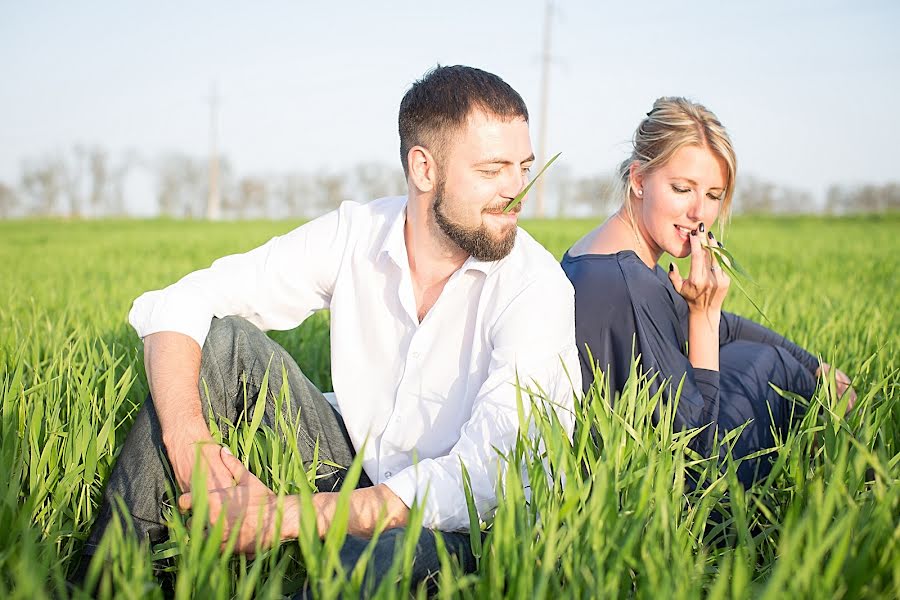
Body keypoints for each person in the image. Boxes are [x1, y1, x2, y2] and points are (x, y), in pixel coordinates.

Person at [80, 65, 580, 594]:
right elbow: (179, 303)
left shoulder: (536, 286)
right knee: (224, 343)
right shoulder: (355, 233)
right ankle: (108, 581)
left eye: (522, 166)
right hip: (357, 466)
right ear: (423, 168)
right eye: (492, 169)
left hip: (468, 522)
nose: (516, 189)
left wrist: (284, 517)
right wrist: (189, 443)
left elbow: (492, 473)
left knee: (384, 561)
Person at [560, 97, 854, 487]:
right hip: (674, 495)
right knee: (771, 364)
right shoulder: (630, 285)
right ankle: (838, 475)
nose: (700, 211)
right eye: (683, 189)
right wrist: (703, 317)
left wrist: (817, 365)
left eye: (714, 195)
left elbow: (727, 328)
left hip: (639, 455)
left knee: (761, 355)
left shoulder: (601, 250)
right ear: (639, 180)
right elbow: (702, 456)